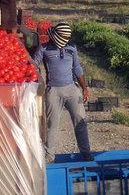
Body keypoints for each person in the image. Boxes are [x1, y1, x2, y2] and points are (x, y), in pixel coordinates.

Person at [31, 22, 92, 163]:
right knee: (52, 124)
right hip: (54, 91)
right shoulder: (44, 48)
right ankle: (50, 156)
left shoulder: (72, 48)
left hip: (72, 89)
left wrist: (84, 87)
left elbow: (77, 68)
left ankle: (86, 153)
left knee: (80, 122)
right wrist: (36, 74)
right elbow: (34, 63)